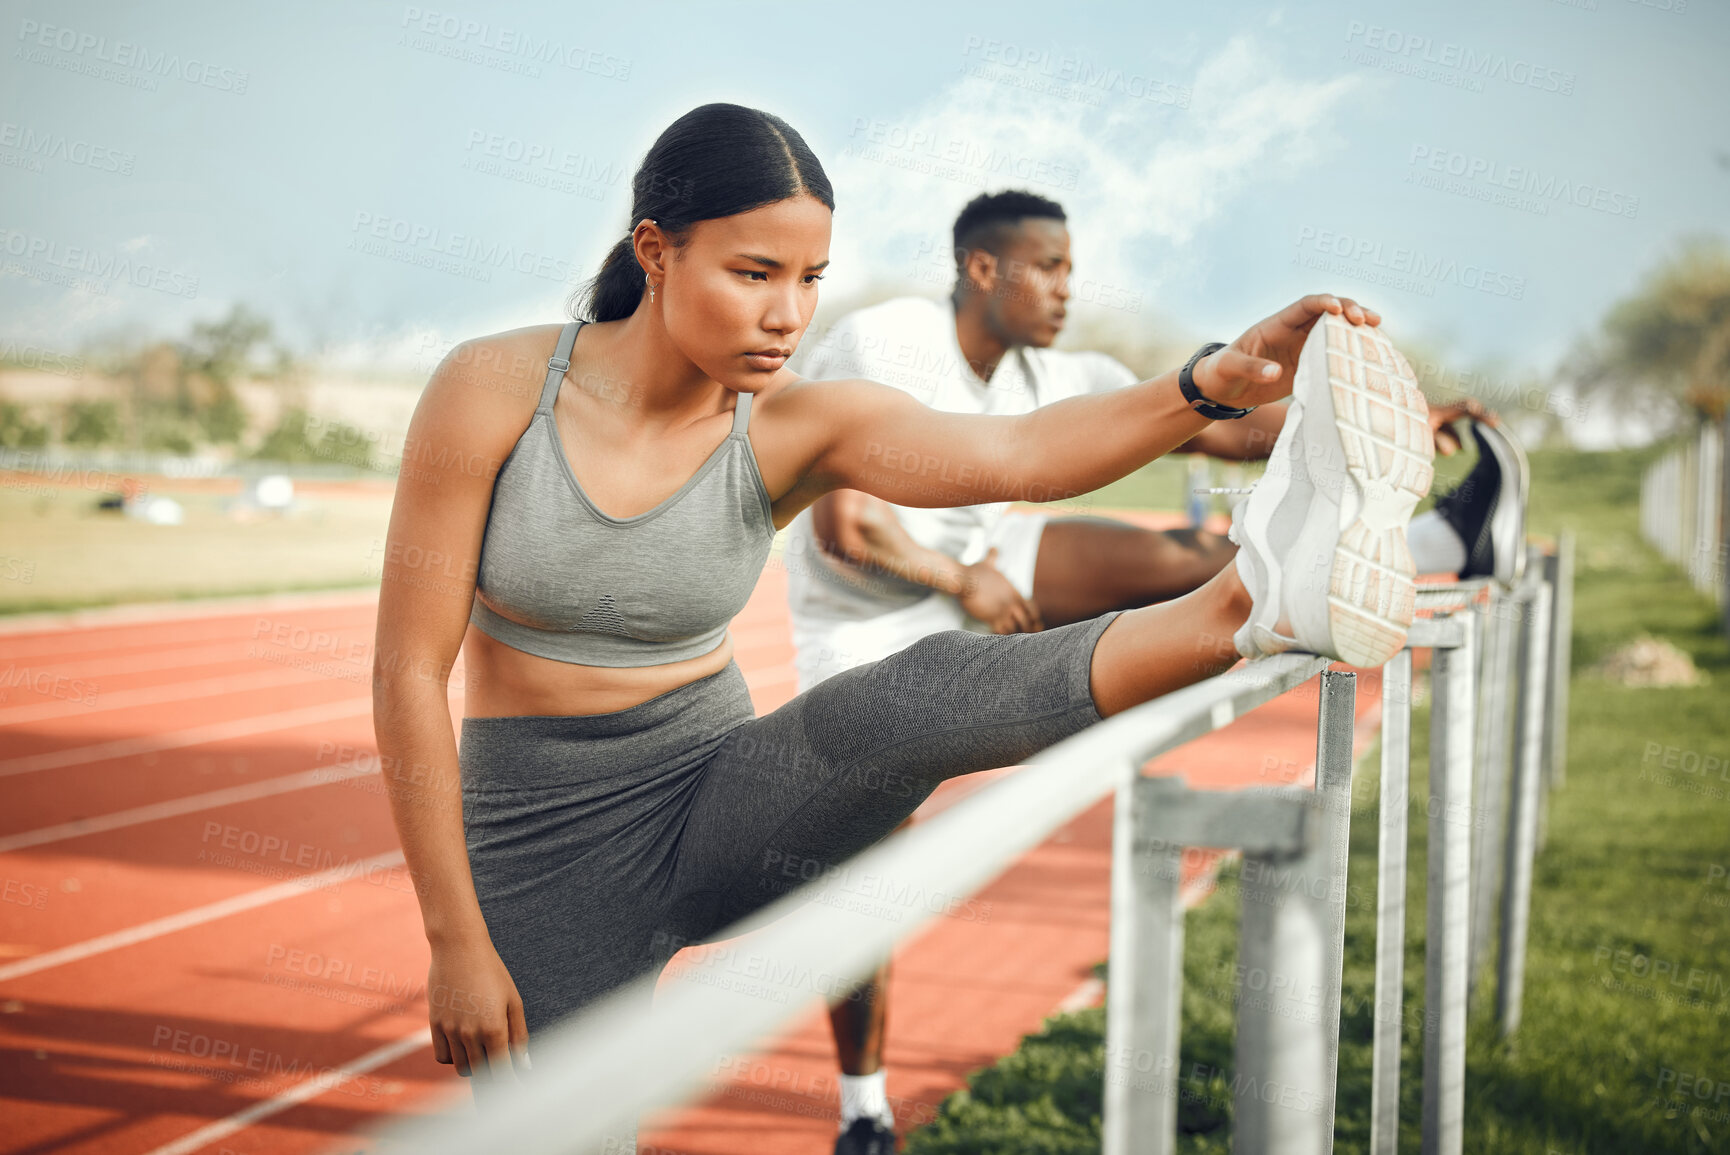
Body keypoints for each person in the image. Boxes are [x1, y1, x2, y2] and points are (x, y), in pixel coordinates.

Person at [369, 102, 1436, 1150]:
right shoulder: (497, 388)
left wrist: (1206, 382)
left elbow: (1023, 453)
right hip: (539, 849)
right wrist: (454, 938)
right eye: (754, 274)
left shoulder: (794, 423)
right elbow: (409, 672)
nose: (789, 315)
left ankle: (1245, 605)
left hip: (713, 794)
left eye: (810, 279)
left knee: (907, 693)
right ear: (656, 251)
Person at [783, 189, 1523, 1153]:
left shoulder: (1050, 370)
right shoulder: (886, 342)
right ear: (981, 269)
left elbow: (1212, 426)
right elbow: (845, 531)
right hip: (870, 621)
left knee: (1194, 550)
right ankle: (865, 1108)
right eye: (1046, 267)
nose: (1066, 287)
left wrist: (1372, 423)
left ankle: (1438, 539)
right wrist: (956, 578)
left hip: (987, 570)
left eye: (1071, 267)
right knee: (862, 864)